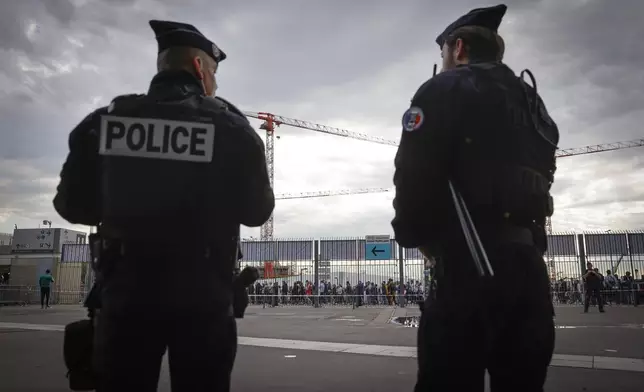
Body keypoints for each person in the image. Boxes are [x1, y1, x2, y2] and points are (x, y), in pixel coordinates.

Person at [53, 20, 274, 392]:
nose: (216, 83)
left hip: (125, 295)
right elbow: (257, 213)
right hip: (204, 298)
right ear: (200, 69)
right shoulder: (231, 128)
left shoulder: (105, 123)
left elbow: (71, 207)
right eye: (215, 73)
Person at [391, 4, 559, 391]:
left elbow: (413, 175)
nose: (445, 62)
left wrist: (416, 238)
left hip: (466, 267)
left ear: (459, 48)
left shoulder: (443, 88)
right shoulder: (534, 103)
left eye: (444, 54)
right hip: (528, 269)